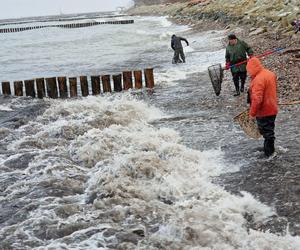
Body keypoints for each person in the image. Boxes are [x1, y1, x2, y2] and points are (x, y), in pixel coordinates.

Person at [247, 57, 278, 157]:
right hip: (272, 107)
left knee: (267, 132)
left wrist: (252, 114)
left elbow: (257, 100)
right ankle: (270, 149)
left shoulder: (258, 80)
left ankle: (270, 154)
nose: (248, 73)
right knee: (269, 129)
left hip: (264, 111)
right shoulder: (269, 73)